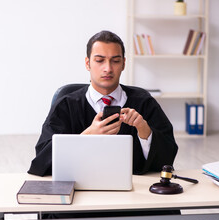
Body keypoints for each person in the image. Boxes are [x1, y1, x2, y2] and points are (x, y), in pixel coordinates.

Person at [28, 30, 178, 177]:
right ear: (88, 63)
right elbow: (41, 162)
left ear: (124, 64)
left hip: (134, 192)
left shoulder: (144, 102)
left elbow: (167, 159)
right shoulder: (66, 105)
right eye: (99, 61)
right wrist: (87, 136)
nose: (108, 68)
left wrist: (145, 132)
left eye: (116, 61)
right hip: (79, 190)